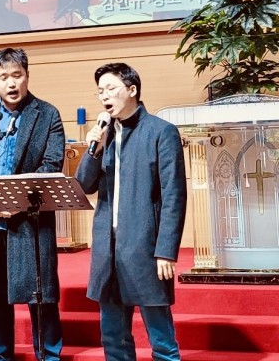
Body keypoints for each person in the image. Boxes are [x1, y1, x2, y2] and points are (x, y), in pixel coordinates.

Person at [0, 47, 65, 360]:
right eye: (3, 77)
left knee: (40, 295)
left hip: (30, 221)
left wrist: (16, 201)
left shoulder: (47, 114)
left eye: (17, 75)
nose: (11, 83)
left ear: (27, 76)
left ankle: (49, 355)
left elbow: (52, 163)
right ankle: (1, 356)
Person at [75, 63, 187, 361]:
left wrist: (166, 250)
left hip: (145, 249)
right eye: (100, 91)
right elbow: (84, 185)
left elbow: (174, 194)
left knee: (161, 340)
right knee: (114, 339)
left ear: (132, 90)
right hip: (107, 253)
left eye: (111, 88)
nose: (104, 96)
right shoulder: (105, 135)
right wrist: (94, 146)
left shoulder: (161, 132)